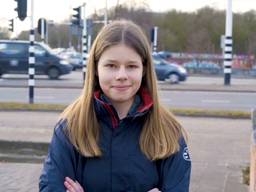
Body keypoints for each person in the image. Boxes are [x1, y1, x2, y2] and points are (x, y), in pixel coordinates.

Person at [39, 20, 191, 192]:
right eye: (111, 66)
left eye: (131, 66)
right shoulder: (70, 128)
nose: (121, 75)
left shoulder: (168, 131)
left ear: (144, 69)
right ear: (96, 68)